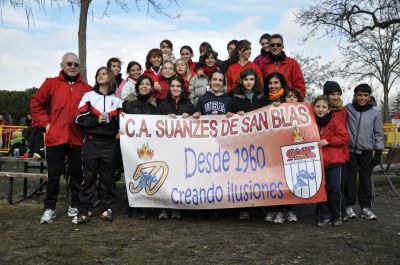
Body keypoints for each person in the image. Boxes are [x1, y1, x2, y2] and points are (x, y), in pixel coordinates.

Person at [30, 52, 92, 224]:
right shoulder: (51, 83)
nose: (72, 67)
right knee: (54, 175)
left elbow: (92, 111)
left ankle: (75, 205)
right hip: (55, 138)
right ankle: (49, 208)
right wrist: (46, 124)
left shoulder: (86, 88)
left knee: (77, 174)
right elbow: (36, 104)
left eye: (76, 64)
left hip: (77, 139)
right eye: (69, 63)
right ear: (62, 65)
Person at [73, 67, 122, 224]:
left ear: (111, 78)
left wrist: (120, 131)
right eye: (98, 74)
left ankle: (107, 208)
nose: (100, 76)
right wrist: (96, 120)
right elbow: (78, 118)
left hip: (110, 144)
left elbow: (122, 123)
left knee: (108, 178)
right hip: (92, 142)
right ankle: (84, 210)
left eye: (104, 73)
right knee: (89, 178)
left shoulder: (118, 100)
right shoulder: (89, 96)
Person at [343, 84, 384, 220]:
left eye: (365, 95)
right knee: (349, 180)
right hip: (350, 151)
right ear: (355, 96)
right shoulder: (348, 109)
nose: (362, 98)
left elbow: (378, 133)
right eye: (359, 95)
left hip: (366, 152)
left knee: (366, 180)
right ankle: (348, 206)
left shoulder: (374, 113)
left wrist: (378, 152)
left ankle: (365, 208)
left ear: (369, 96)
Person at [228, 68, 264, 220]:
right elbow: (229, 116)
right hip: (241, 142)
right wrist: (233, 115)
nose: (249, 82)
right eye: (246, 79)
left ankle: (258, 206)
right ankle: (243, 208)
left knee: (258, 174)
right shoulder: (234, 98)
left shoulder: (262, 97)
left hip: (260, 141)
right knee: (242, 174)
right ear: (241, 81)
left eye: (251, 79)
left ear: (255, 81)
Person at [157, 76, 194, 219]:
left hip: (182, 148)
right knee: (165, 177)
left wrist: (190, 116)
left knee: (178, 176)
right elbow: (154, 122)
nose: (175, 89)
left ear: (182, 88)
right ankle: (164, 208)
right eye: (173, 86)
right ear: (169, 87)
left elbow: (196, 120)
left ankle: (177, 207)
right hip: (166, 147)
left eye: (178, 86)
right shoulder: (162, 104)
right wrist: (166, 119)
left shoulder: (189, 105)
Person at [123, 75, 158, 219]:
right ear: (137, 86)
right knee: (131, 173)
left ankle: (141, 206)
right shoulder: (128, 103)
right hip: (131, 145)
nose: (144, 86)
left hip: (147, 146)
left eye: (147, 84)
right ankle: (130, 205)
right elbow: (123, 120)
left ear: (151, 87)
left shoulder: (155, 105)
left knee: (144, 174)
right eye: (142, 84)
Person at [313, 95, 349, 227]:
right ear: (313, 107)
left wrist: (328, 141)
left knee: (334, 188)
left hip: (335, 161)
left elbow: (344, 137)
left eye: (324, 107)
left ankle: (337, 215)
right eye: (318, 106)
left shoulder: (335, 122)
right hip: (318, 161)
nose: (320, 109)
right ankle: (324, 216)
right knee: (321, 189)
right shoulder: (310, 122)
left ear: (329, 110)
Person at [270, 88, 302, 224]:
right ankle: (279, 211)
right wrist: (274, 107)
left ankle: (289, 210)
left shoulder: (304, 113)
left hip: (294, 152)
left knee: (292, 181)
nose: (291, 99)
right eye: (289, 97)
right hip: (278, 151)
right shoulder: (278, 110)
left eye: (294, 97)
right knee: (279, 181)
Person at [322, 81, 350, 221]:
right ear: (326, 95)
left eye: (338, 94)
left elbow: (344, 134)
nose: (336, 97)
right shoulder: (321, 110)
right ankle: (324, 213)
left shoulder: (344, 111)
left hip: (341, 153)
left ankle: (341, 211)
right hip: (325, 154)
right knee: (327, 186)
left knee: (338, 186)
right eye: (333, 94)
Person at [260, 34, 306, 98]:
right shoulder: (264, 64)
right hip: (269, 101)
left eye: (278, 45)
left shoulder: (292, 63)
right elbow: (261, 84)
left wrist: (299, 98)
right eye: (272, 45)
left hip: (287, 101)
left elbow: (299, 83)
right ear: (269, 47)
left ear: (282, 47)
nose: (275, 47)